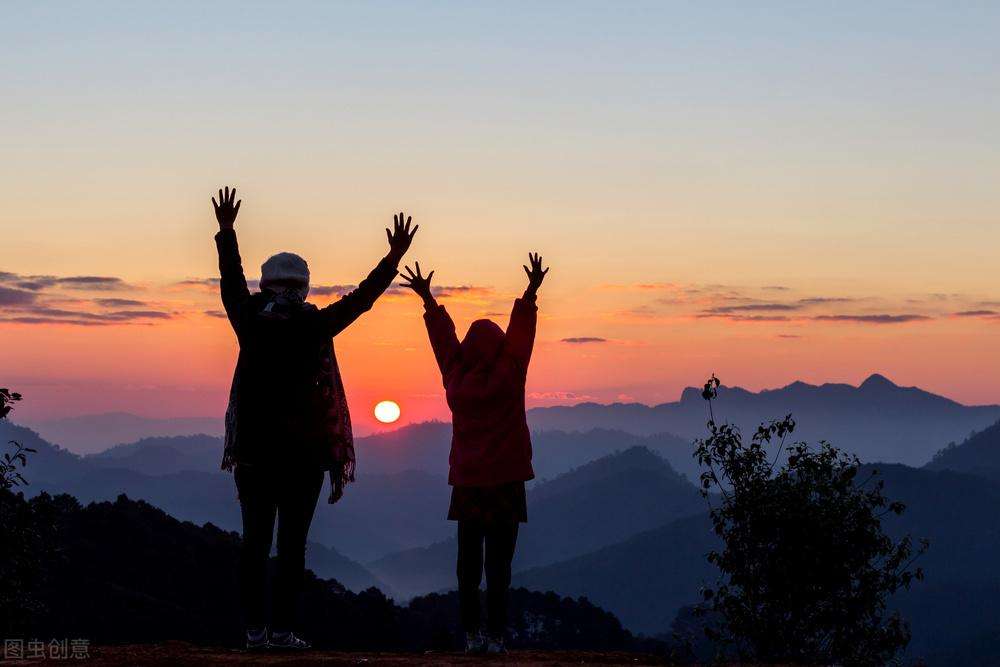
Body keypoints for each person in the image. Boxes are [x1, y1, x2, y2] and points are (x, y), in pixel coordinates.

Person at [212, 186, 417, 650]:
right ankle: (282, 631)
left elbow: (230, 278)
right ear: (304, 286)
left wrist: (227, 232)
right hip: (303, 458)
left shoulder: (248, 319)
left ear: (265, 286)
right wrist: (392, 257)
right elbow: (361, 300)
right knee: (291, 548)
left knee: (254, 543)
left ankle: (253, 631)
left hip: (253, 454)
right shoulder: (313, 324)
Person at [400, 253, 548, 654]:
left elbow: (443, 343)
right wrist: (530, 292)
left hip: (468, 483)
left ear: (467, 349)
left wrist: (428, 300)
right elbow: (521, 335)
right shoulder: (511, 371)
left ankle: (472, 635)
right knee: (499, 564)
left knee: (468, 563)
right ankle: (497, 637)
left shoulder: (456, 374)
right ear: (499, 347)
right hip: (506, 481)